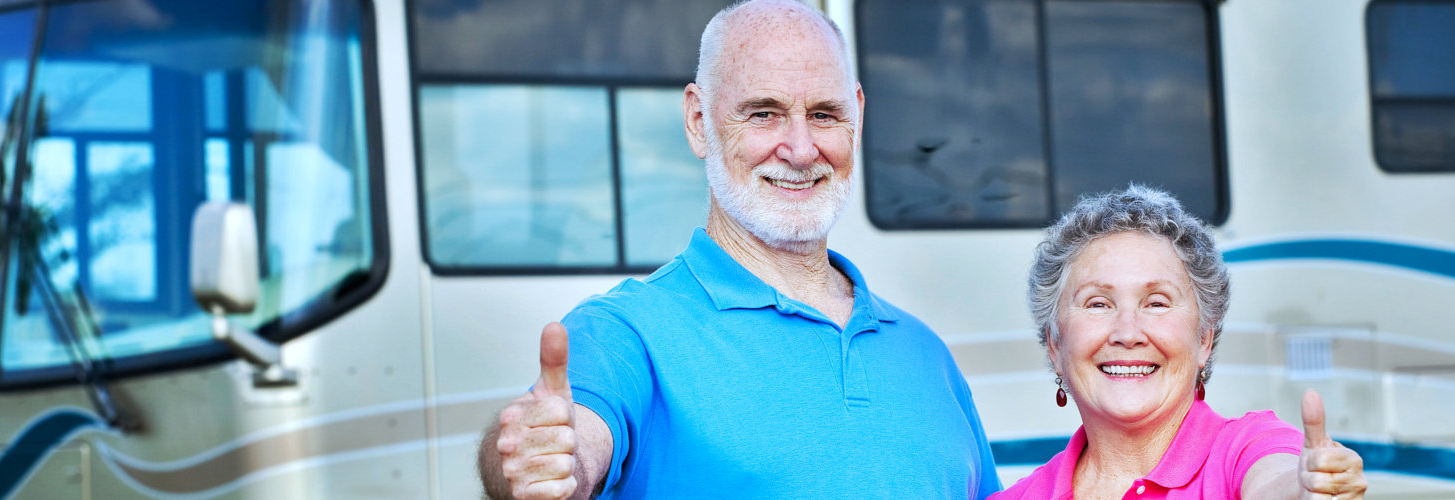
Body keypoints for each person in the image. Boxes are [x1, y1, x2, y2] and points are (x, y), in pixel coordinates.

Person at [476, 1, 1001, 499]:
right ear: (699, 122)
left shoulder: (926, 355)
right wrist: (541, 458)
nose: (800, 149)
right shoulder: (625, 332)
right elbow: (568, 440)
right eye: (763, 114)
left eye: (823, 115)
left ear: (856, 119)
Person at [991, 186, 1368, 500]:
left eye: (1156, 303)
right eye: (1098, 304)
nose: (1128, 332)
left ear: (1204, 338)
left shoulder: (1247, 448)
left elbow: (1277, 480)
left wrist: (1304, 492)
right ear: (1055, 346)